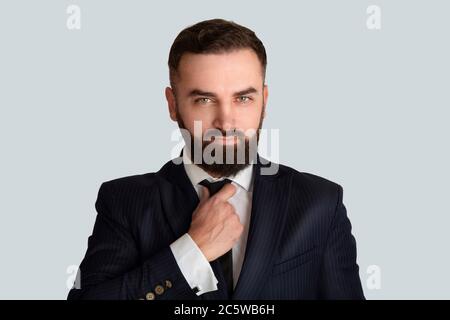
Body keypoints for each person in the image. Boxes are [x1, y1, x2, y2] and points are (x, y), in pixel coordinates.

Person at [68, 18, 364, 300]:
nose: (225, 121)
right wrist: (191, 252)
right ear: (172, 105)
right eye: (204, 100)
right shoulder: (125, 202)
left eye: (243, 98)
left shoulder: (320, 203)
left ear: (264, 101)